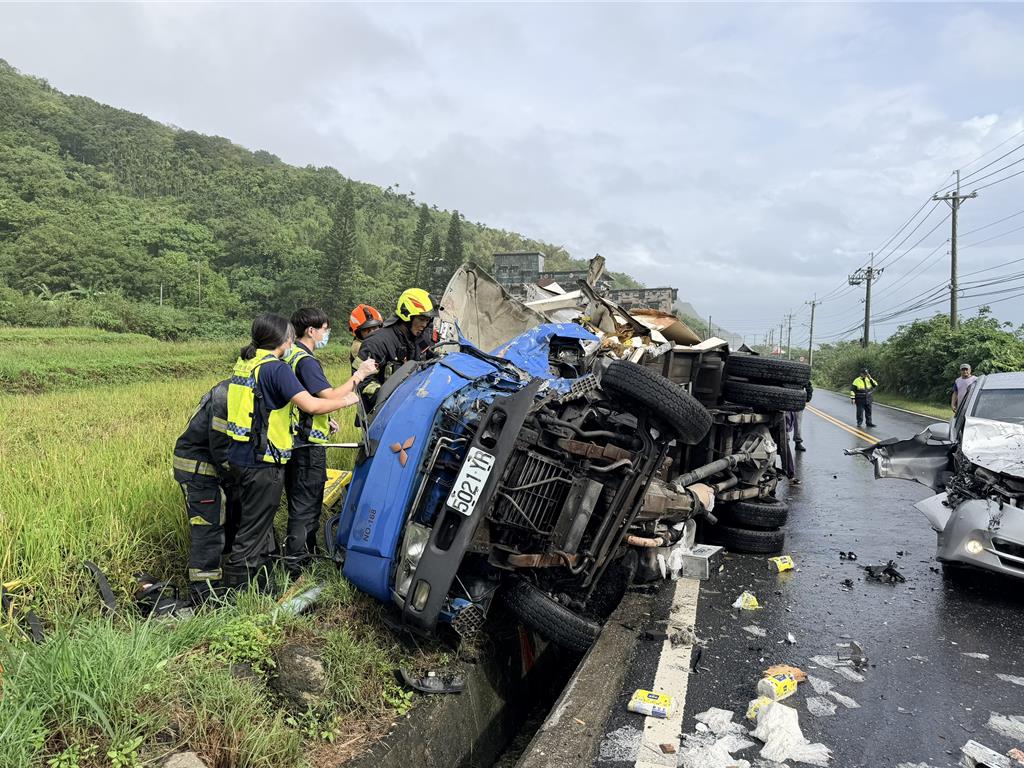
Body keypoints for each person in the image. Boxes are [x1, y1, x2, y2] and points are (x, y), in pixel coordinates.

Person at [223, 314, 362, 589]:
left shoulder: (247, 362)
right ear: (284, 339)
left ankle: (259, 582)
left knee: (253, 523)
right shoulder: (276, 369)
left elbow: (266, 406)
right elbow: (312, 404)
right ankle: (239, 590)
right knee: (254, 530)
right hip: (263, 461)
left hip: (240, 455)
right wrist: (349, 399)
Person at [282, 308, 377, 570]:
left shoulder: (291, 355)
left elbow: (303, 400)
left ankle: (302, 559)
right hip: (307, 446)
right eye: (325, 329)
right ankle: (299, 566)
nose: (327, 334)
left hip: (293, 440)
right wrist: (360, 375)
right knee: (306, 507)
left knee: (299, 504)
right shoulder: (306, 361)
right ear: (311, 331)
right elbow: (329, 396)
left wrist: (325, 419)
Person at [172, 378, 240, 603]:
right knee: (207, 528)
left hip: (213, 468)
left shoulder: (238, 389)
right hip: (198, 470)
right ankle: (205, 593)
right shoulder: (226, 396)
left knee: (230, 520)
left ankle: (227, 578)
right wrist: (243, 475)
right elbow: (221, 448)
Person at [357, 288, 437, 409]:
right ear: (406, 316)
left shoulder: (421, 339)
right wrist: (391, 399)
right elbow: (362, 382)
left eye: (427, 320)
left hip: (412, 408)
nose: (424, 325)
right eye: (421, 319)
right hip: (380, 413)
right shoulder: (377, 342)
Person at [348, 303, 383, 375]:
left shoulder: (378, 342)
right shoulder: (358, 347)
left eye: (375, 328)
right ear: (358, 333)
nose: (372, 332)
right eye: (367, 330)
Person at [792, 380, 813, 452]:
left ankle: (798, 442)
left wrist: (807, 398)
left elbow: (808, 385)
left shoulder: (801, 374)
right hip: (784, 398)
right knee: (784, 420)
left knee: (797, 422)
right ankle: (784, 441)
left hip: (798, 399)